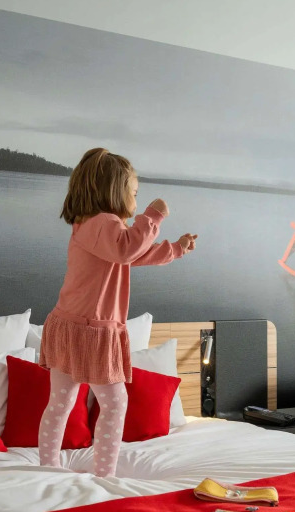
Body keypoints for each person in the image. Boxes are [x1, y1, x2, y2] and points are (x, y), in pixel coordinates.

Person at [38, 148, 197, 477]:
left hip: (71, 324)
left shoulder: (96, 227)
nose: (136, 200)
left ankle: (49, 466)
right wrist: (154, 215)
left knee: (61, 402)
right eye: (134, 193)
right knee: (114, 403)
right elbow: (128, 249)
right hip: (91, 331)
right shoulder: (103, 224)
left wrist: (176, 248)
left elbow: (137, 253)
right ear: (114, 190)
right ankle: (104, 475)